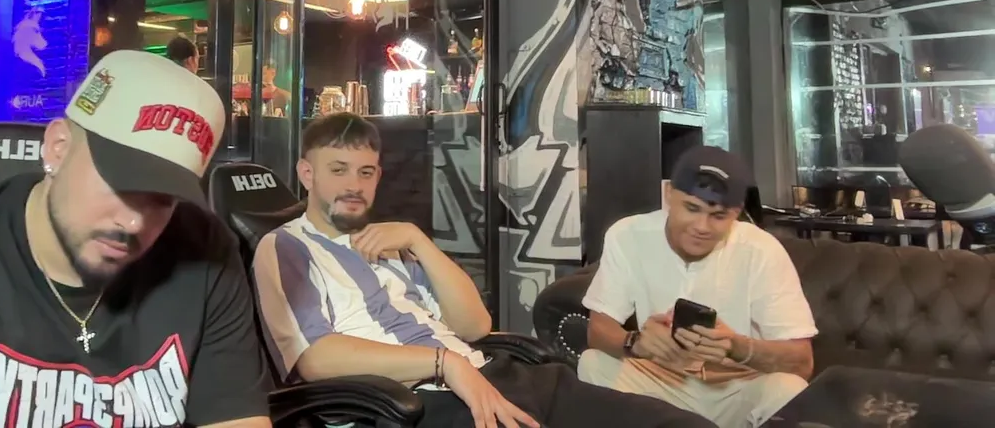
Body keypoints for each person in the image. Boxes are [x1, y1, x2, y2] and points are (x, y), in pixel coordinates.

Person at [0, 50, 271, 428]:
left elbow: (237, 419)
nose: (132, 222)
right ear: (57, 147)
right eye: (122, 185)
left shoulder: (204, 250)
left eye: (162, 200)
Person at [253, 112, 713, 428]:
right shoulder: (286, 247)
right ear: (307, 174)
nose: (354, 185)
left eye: (366, 172)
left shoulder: (390, 242)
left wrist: (418, 241)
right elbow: (315, 359)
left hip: (498, 375)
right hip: (418, 403)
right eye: (338, 170)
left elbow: (474, 325)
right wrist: (444, 364)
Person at [577, 146, 816, 428]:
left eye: (718, 216)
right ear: (669, 194)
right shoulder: (627, 235)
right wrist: (635, 342)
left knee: (789, 389)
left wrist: (737, 347)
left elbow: (802, 362)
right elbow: (598, 329)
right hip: (660, 383)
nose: (702, 226)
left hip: (735, 389)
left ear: (737, 213)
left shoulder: (762, 250)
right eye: (692, 208)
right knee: (592, 363)